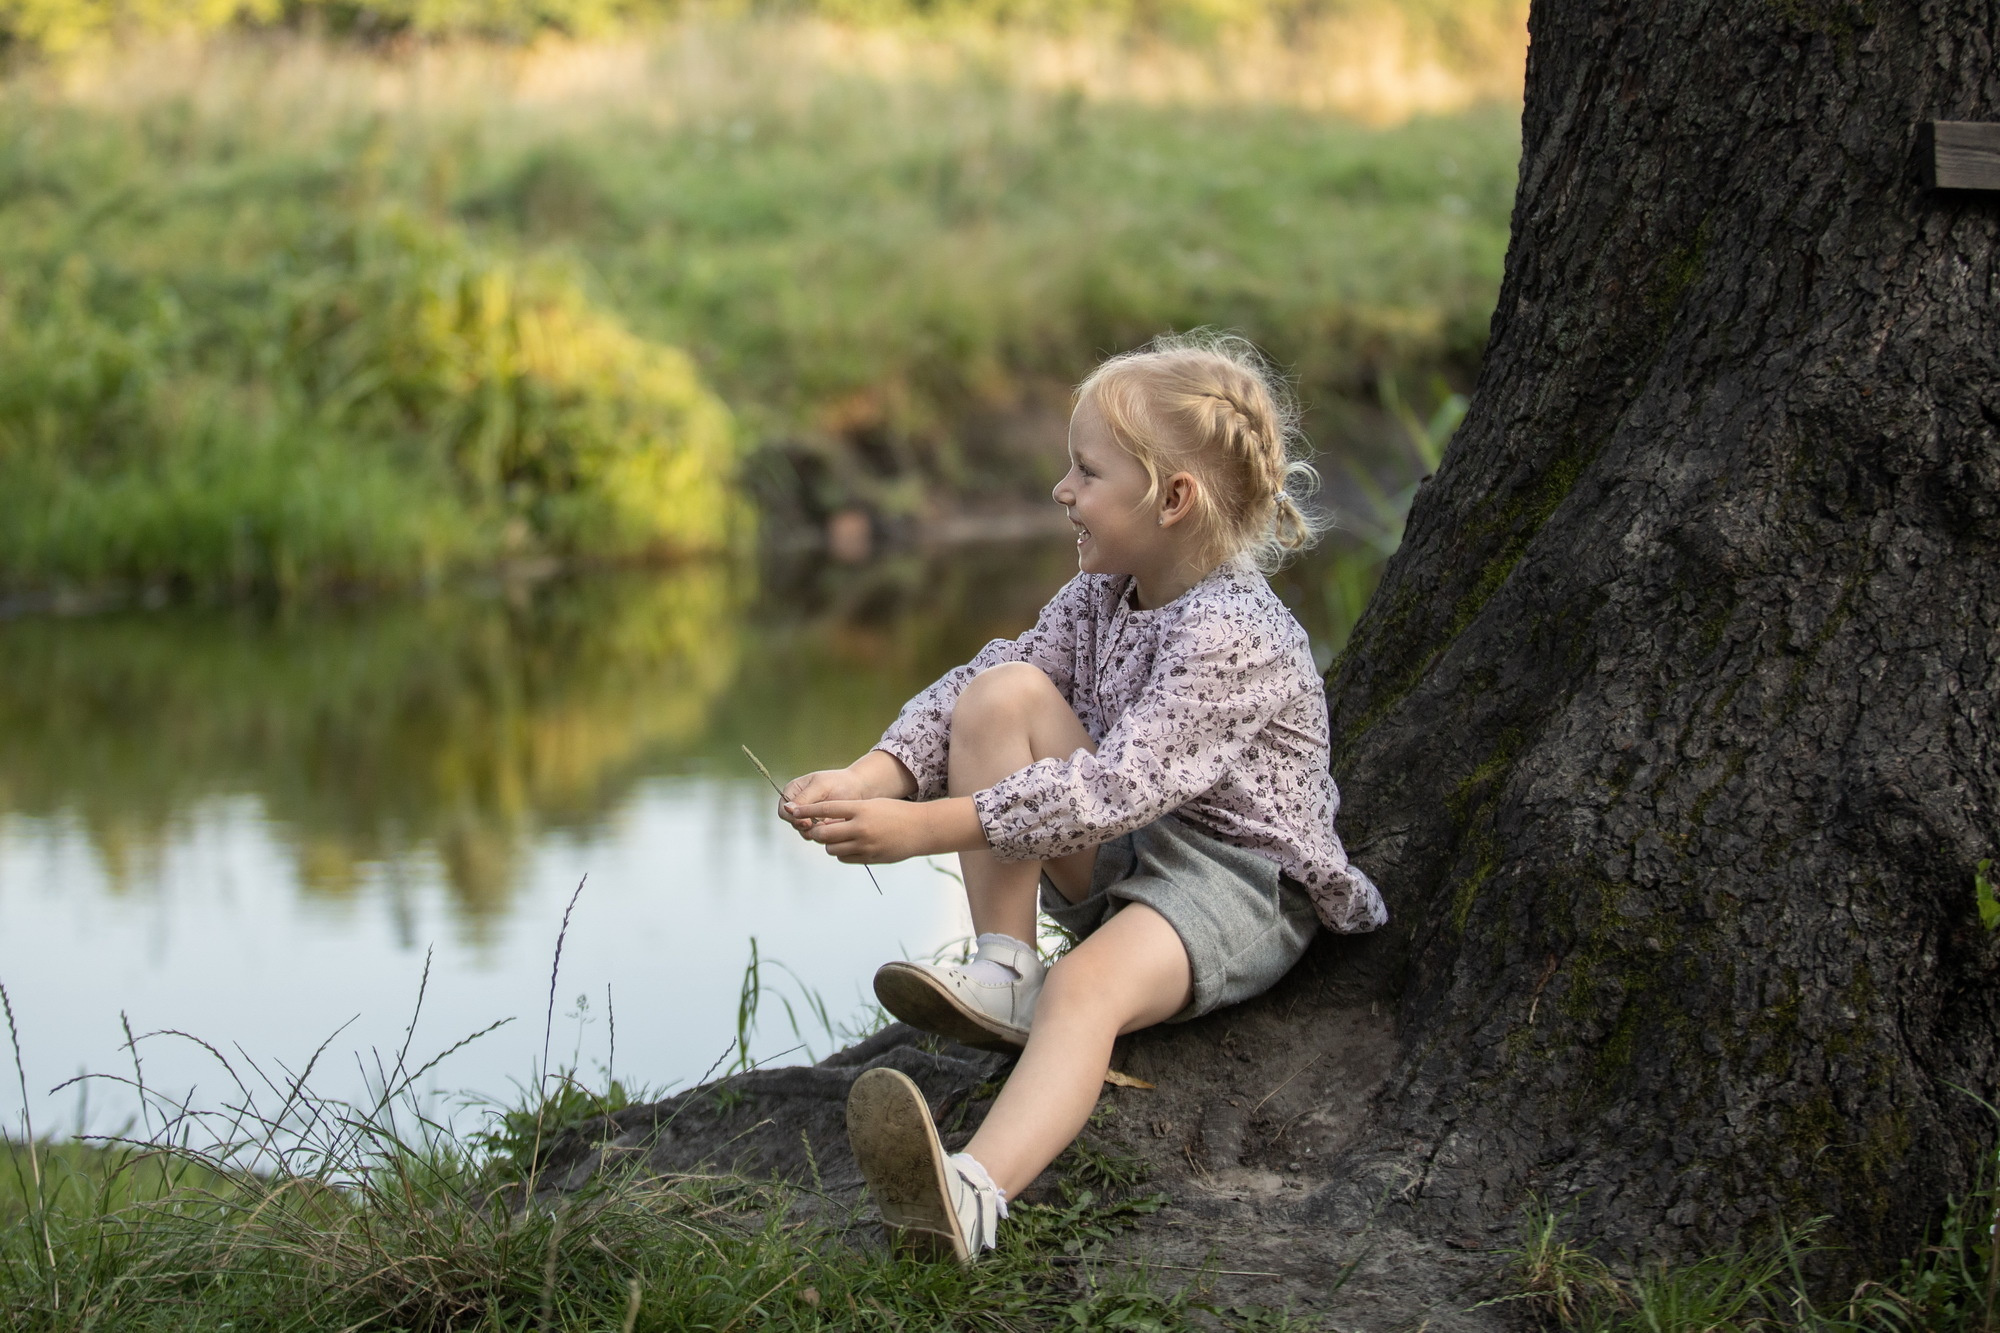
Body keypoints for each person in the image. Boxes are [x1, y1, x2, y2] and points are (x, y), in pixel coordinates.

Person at [777, 331, 1387, 1262]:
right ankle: (1005, 967)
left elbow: (1109, 788)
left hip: (1236, 881)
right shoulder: (1103, 592)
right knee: (1001, 693)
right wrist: (874, 774)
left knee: (1087, 988)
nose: (1062, 490)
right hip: (1136, 843)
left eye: (1086, 472)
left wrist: (920, 829)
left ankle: (973, 1192)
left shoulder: (1235, 632)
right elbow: (985, 684)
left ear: (1172, 499)